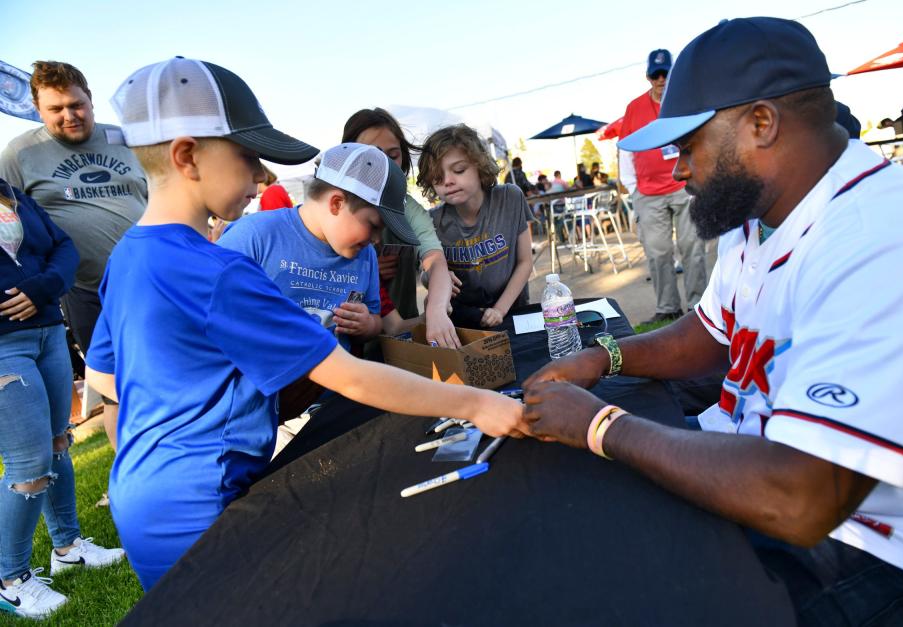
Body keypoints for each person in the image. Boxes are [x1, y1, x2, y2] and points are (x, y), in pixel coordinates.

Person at [522, 17, 903, 626]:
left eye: (688, 145)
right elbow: (709, 334)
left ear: (761, 123)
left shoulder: (887, 232)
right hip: (760, 466)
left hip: (872, 545)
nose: (677, 170)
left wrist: (600, 425)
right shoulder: (763, 210)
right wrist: (605, 356)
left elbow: (804, 498)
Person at [83, 57, 526, 591]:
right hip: (201, 501)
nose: (263, 177)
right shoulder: (222, 270)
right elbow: (351, 377)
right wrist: (479, 403)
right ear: (186, 156)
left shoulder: (128, 256)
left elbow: (105, 381)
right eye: (249, 157)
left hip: (142, 497)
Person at [0, 61, 147, 458]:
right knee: (116, 390)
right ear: (37, 108)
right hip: (86, 289)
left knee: (170, 375)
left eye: (76, 104)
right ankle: (128, 477)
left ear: (90, 99)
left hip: (153, 282)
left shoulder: (125, 139)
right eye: (56, 109)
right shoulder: (20, 153)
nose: (69, 115)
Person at [0, 179, 124, 619]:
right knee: (28, 465)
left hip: (49, 328)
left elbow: (63, 247)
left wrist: (43, 287)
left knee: (57, 443)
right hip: (2, 346)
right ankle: (10, 578)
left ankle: (68, 547)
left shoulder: (15, 196)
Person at [218, 143, 419, 353]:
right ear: (337, 204)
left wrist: (367, 325)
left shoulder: (365, 255)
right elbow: (208, 313)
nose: (377, 239)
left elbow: (376, 319)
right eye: (373, 226)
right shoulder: (253, 237)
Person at [341, 108, 460, 348]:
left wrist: (436, 310)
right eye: (371, 155)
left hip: (403, 341)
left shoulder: (410, 210)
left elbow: (435, 260)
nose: (382, 165)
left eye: (393, 155)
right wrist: (368, 273)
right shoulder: (338, 214)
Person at [619, 49, 707, 324]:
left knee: (692, 246)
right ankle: (667, 307)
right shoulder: (634, 107)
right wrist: (633, 188)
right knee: (658, 252)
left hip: (684, 186)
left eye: (665, 73)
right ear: (648, 77)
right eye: (655, 74)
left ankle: (698, 307)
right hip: (647, 192)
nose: (660, 79)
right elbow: (624, 149)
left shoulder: (685, 100)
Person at [417, 124, 534, 329]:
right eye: (437, 177)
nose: (448, 181)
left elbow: (525, 262)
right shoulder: (432, 221)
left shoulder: (510, 197)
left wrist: (499, 310)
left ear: (479, 165)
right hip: (466, 321)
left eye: (459, 170)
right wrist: (437, 278)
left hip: (513, 311)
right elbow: (426, 274)